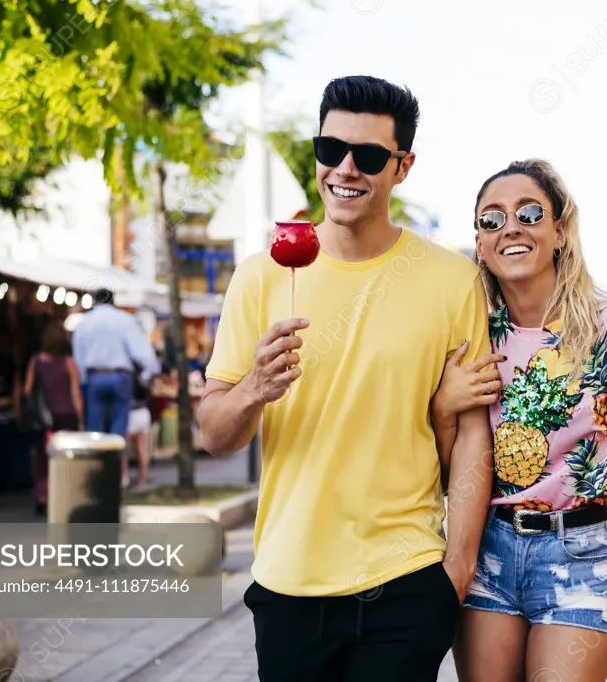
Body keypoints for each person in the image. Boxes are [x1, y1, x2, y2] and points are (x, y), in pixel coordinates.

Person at [197, 76, 493, 682]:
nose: (346, 169)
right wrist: (253, 388)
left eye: (371, 156)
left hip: (406, 578)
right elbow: (214, 436)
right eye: (331, 150)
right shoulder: (260, 278)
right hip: (288, 580)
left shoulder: (450, 279)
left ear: (403, 167)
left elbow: (472, 436)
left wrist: (456, 568)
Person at [430, 159, 607, 681]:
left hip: (580, 557)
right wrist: (442, 408)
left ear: (560, 231)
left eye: (529, 212)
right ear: (479, 244)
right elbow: (443, 458)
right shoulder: (467, 332)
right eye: (492, 219)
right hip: (486, 552)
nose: (511, 228)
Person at [71, 287, 160, 484]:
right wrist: (147, 375)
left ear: (94, 301)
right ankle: (116, 478)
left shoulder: (84, 323)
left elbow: (78, 357)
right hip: (120, 378)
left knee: (95, 431)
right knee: (118, 432)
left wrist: (84, 381)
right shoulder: (124, 320)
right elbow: (143, 354)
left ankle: (96, 479)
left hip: (94, 378)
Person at [23, 322, 84, 514]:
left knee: (42, 456)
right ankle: (65, 494)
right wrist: (81, 420)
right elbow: (75, 394)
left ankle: (42, 494)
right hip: (66, 416)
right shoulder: (69, 363)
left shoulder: (36, 362)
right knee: (67, 458)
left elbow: (27, 389)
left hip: (44, 418)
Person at [124, 368, 152, 488]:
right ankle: (142, 478)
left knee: (124, 449)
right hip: (143, 412)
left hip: (130, 414)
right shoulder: (142, 379)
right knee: (142, 449)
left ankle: (124, 478)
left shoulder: (125, 380)